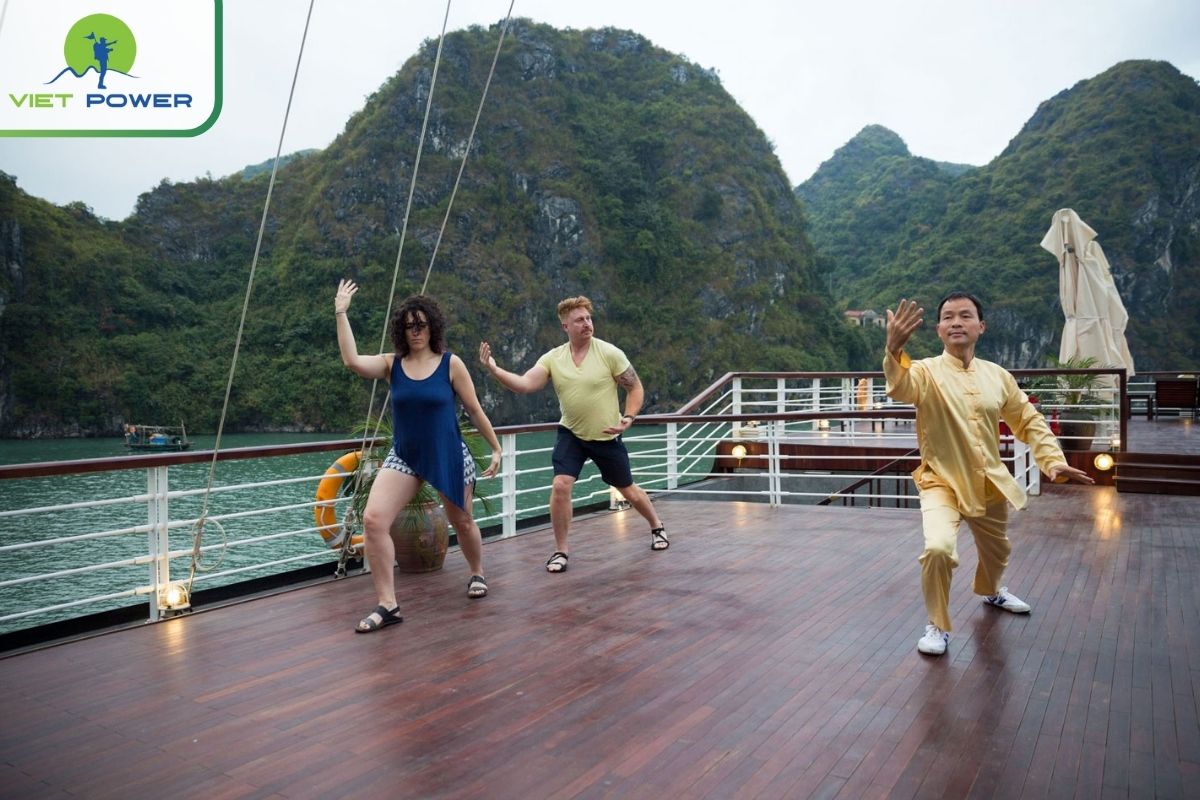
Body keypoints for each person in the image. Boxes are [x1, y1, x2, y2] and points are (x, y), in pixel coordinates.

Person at [884, 292, 1093, 656]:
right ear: (938, 330)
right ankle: (937, 623)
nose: (956, 322)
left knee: (996, 551)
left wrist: (1052, 460)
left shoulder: (998, 376)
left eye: (965, 316)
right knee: (937, 549)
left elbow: (1027, 420)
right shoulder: (925, 372)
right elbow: (901, 386)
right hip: (941, 481)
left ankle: (992, 591)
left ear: (981, 327)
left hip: (988, 480)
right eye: (948, 317)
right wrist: (893, 350)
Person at [335, 279, 501, 633]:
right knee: (374, 520)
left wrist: (497, 447)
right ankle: (388, 605)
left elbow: (473, 409)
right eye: (409, 325)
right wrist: (341, 312)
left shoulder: (450, 364)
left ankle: (477, 572)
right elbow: (351, 361)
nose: (416, 331)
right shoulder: (392, 364)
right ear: (401, 329)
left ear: (432, 326)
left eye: (421, 324)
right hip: (406, 455)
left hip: (447, 451)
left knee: (463, 521)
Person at [479, 296, 667, 573]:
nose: (587, 324)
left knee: (628, 489)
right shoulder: (554, 358)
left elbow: (635, 388)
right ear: (565, 325)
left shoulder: (609, 353)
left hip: (606, 435)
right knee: (560, 485)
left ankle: (657, 526)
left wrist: (628, 418)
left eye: (589, 318)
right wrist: (494, 370)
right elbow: (524, 384)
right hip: (572, 434)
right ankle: (560, 551)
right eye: (579, 320)